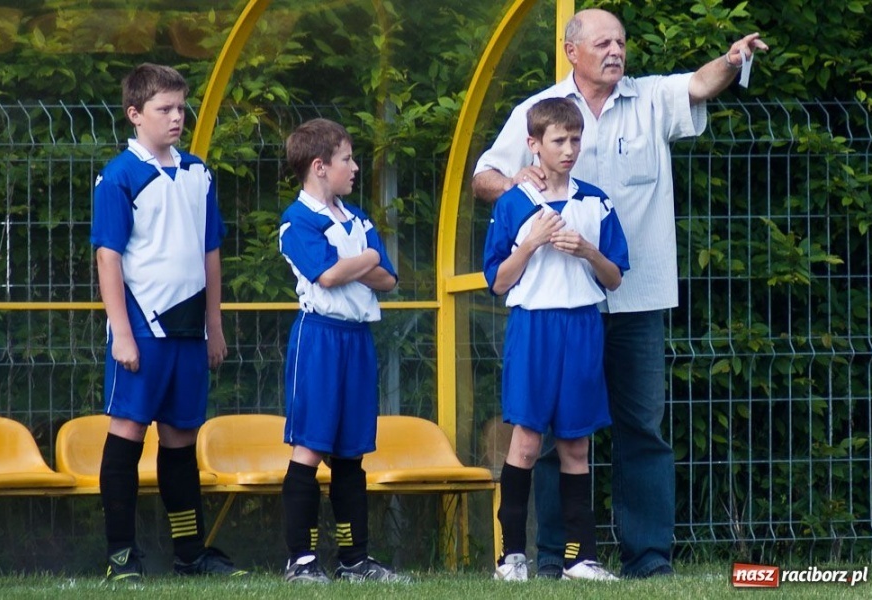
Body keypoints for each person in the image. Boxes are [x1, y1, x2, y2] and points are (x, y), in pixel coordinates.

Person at [473, 9, 769, 579]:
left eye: (622, 42)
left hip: (637, 297)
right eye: (603, 42)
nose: (616, 51)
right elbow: (485, 176)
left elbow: (701, 83)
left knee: (642, 429)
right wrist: (518, 182)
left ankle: (649, 560)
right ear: (571, 50)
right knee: (555, 432)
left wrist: (732, 61)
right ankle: (553, 560)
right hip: (560, 306)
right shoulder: (537, 111)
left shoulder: (650, 98)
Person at [91, 63, 246, 581]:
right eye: (164, 109)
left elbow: (210, 252)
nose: (177, 117)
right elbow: (108, 257)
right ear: (135, 115)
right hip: (143, 328)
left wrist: (215, 325)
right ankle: (120, 557)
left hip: (190, 332)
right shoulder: (119, 175)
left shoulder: (199, 173)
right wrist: (122, 334)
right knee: (127, 438)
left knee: (181, 441)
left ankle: (190, 554)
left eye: (181, 108)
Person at [485, 97, 629, 582]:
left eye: (575, 139)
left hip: (582, 326)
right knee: (525, 442)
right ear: (533, 145)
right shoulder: (513, 204)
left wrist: (587, 250)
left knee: (576, 446)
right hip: (534, 328)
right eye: (558, 140)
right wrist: (530, 243)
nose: (569, 149)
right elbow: (499, 281)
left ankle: (579, 557)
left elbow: (614, 278)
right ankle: (511, 557)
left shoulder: (595, 201)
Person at [278, 118, 407, 584]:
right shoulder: (297, 221)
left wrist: (362, 263)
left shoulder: (357, 219)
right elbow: (326, 276)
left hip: (357, 340)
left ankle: (355, 560)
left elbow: (388, 280)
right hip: (319, 340)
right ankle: (302, 561)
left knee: (351, 454)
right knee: (310, 449)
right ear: (319, 166)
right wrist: (368, 259)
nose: (354, 168)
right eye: (347, 159)